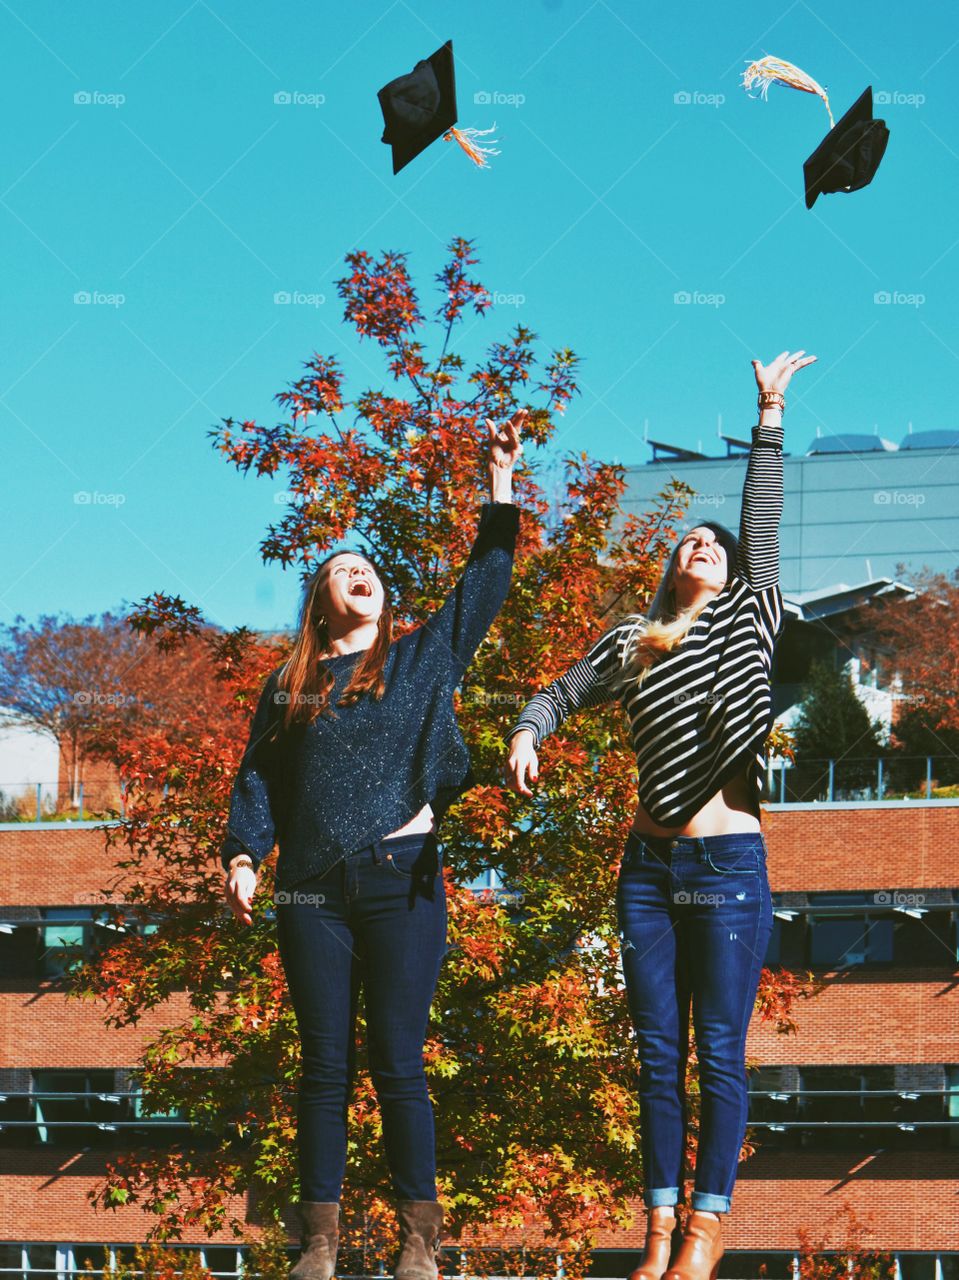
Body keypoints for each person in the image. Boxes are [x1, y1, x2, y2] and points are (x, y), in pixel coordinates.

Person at [505, 353, 815, 1280]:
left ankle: (703, 1237)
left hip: (725, 867)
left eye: (714, 546)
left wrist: (767, 414)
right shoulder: (634, 643)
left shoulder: (751, 612)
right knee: (653, 1058)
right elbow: (561, 690)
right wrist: (528, 732)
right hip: (646, 871)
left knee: (717, 1051)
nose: (704, 547)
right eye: (689, 543)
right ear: (669, 567)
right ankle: (654, 1230)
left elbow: (759, 521)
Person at [221, 409, 525, 1280]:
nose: (358, 573)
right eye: (340, 569)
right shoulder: (289, 687)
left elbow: (487, 580)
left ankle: (416, 1240)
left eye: (368, 568)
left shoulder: (423, 657)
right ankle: (316, 1241)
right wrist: (243, 857)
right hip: (312, 891)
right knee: (324, 1066)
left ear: (384, 596)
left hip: (403, 880)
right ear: (319, 597)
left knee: (397, 1061)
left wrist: (498, 485)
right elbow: (256, 782)